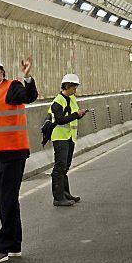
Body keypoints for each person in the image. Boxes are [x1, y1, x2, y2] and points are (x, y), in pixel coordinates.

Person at [0, 55, 38, 263]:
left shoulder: (12, 87)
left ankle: (2, 246)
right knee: (7, 200)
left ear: (2, 72)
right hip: (0, 155)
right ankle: (14, 245)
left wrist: (28, 76)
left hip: (14, 153)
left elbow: (29, 96)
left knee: (6, 200)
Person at [49, 74, 88, 206]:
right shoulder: (57, 101)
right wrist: (76, 115)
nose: (75, 90)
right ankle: (58, 198)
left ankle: (65, 193)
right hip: (60, 137)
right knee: (59, 167)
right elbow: (60, 120)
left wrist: (79, 114)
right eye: (74, 87)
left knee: (65, 166)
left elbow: (73, 116)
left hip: (70, 136)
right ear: (67, 86)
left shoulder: (72, 99)